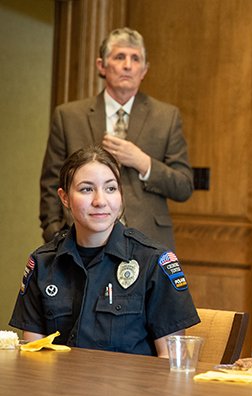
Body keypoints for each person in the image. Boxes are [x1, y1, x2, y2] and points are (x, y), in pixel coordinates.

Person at [11, 145, 200, 357]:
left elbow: (171, 363)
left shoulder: (153, 261)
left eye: (110, 188)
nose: (100, 201)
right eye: (86, 189)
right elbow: (33, 357)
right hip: (60, 388)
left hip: (134, 389)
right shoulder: (42, 263)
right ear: (64, 198)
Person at [39, 27, 193, 250]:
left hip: (146, 243)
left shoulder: (166, 117)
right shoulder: (69, 116)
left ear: (144, 70)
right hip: (80, 241)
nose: (127, 65)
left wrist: (143, 162)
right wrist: (55, 232)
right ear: (101, 65)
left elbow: (184, 186)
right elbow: (51, 183)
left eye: (135, 58)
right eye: (120, 57)